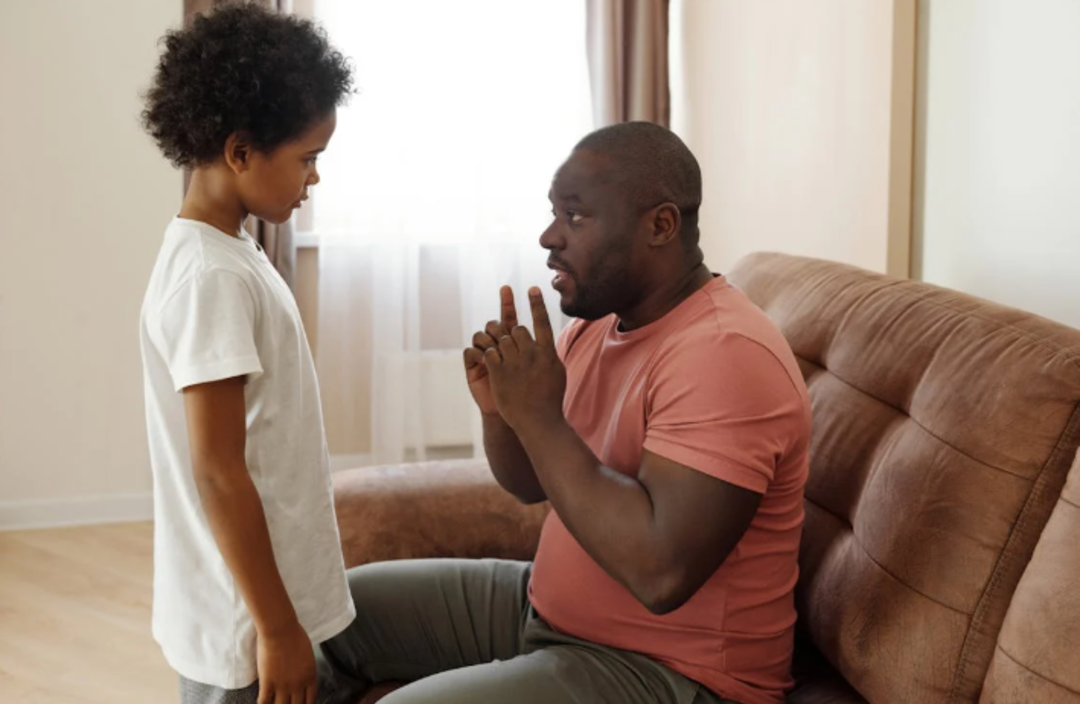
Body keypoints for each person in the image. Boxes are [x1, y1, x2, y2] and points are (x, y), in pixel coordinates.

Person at [316, 122, 811, 704]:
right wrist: (504, 413)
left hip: (673, 672)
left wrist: (541, 418)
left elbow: (661, 574)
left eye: (576, 217)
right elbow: (531, 483)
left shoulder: (725, 354)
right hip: (549, 615)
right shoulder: (597, 327)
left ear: (660, 225)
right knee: (325, 617)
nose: (550, 236)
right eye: (553, 213)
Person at [139, 4, 355, 703]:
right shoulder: (212, 278)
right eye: (308, 159)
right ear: (239, 152)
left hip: (256, 608)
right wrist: (278, 629)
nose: (314, 178)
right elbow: (219, 471)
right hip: (244, 626)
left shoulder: (231, 250)